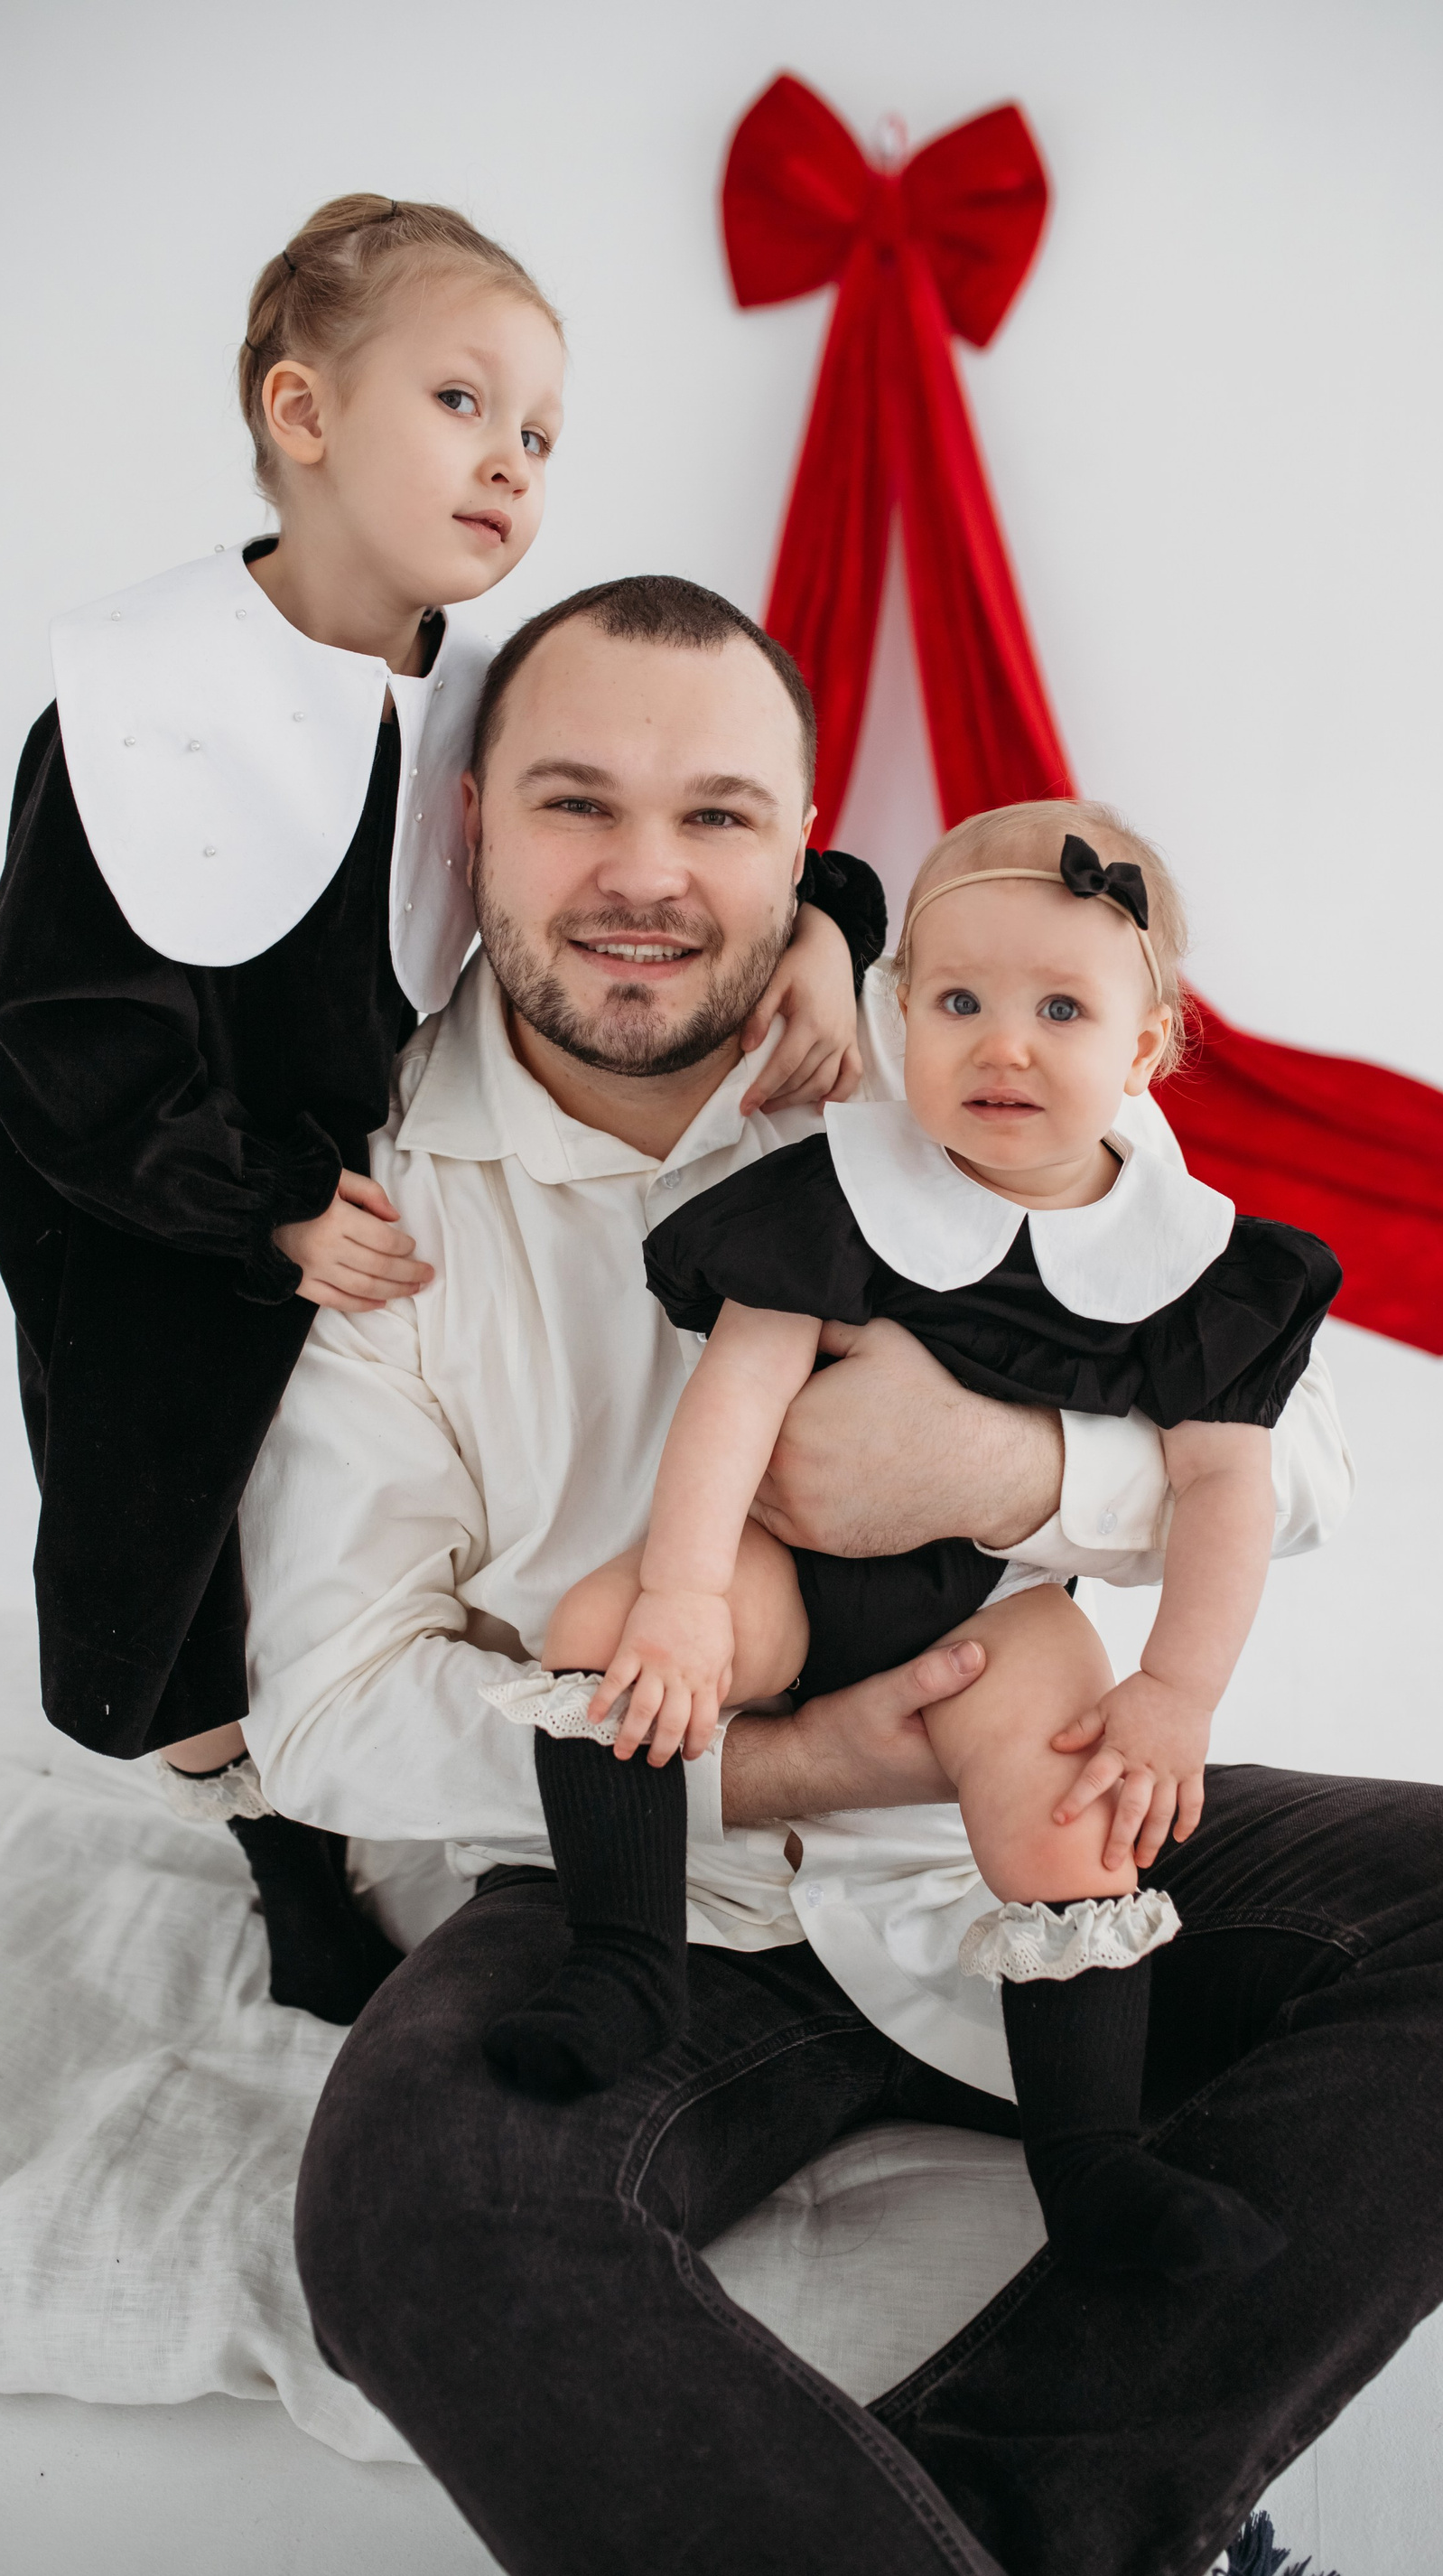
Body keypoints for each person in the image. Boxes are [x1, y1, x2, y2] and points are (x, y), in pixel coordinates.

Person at [229, 574, 1443, 2576]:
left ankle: (1022, 2526)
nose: (646, 877)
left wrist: (1018, 1467)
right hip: (626, 1872)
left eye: (717, 817)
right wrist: (784, 1763)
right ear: (475, 823)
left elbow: (1297, 1455)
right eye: (578, 804)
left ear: (803, 850)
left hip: (1006, 1814)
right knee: (412, 2214)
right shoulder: (372, 1200)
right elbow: (328, 1712)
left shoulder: (978, 1063)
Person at [0, 200, 880, 2024]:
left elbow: (696, 817)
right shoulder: (132, 707)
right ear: (303, 414)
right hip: (156, 1202)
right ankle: (283, 1862)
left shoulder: (473, 692)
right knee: (182, 1577)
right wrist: (263, 1204)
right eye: (463, 403)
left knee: (311, 1539)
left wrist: (832, 932)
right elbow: (51, 1039)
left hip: (363, 1180)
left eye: (541, 431)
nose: (513, 460)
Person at [479, 800, 1340, 2291]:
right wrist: (686, 1591)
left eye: (1060, 1010)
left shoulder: (1190, 1263)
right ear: (897, 1016)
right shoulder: (843, 1192)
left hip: (999, 1609)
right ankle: (622, 1962)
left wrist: (1177, 1693)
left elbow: (1224, 1491)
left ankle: (1091, 2157)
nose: (1003, 1046)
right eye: (958, 1003)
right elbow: (738, 1395)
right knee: (607, 1632)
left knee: (1077, 1799)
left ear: (1145, 1050)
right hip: (790, 1575)